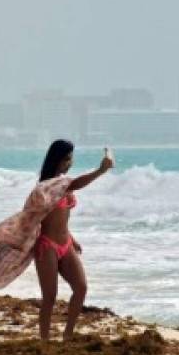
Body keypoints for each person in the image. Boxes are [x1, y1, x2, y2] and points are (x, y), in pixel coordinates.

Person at [34, 140, 113, 340]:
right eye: (67, 158)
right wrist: (100, 171)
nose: (70, 162)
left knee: (81, 287)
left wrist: (71, 238)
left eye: (71, 158)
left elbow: (61, 219)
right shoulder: (45, 187)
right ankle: (44, 341)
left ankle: (68, 334)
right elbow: (34, 221)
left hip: (65, 244)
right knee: (50, 298)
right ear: (57, 160)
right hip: (47, 246)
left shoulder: (63, 183)